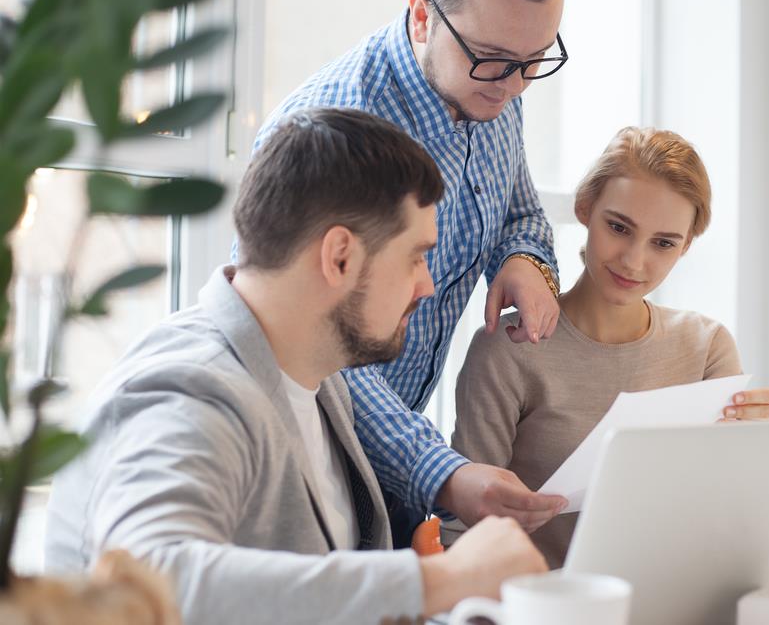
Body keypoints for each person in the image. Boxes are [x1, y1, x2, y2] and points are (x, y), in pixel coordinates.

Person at [45, 109, 547, 625]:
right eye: (416, 257)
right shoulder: (190, 387)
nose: (426, 286)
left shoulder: (319, 376)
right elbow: (150, 576)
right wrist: (436, 582)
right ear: (340, 257)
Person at [244, 0, 572, 545]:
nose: (515, 84)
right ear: (422, 17)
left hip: (404, 468)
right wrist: (442, 472)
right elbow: (324, 350)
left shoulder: (495, 80)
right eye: (495, 59)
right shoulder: (335, 131)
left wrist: (526, 260)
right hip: (309, 470)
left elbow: (519, 212)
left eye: (535, 61)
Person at [450, 127, 769, 568]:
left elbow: (734, 517)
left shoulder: (707, 346)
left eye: (663, 243)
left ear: (686, 246)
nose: (634, 261)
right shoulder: (510, 349)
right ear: (584, 208)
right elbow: (462, 528)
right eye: (619, 227)